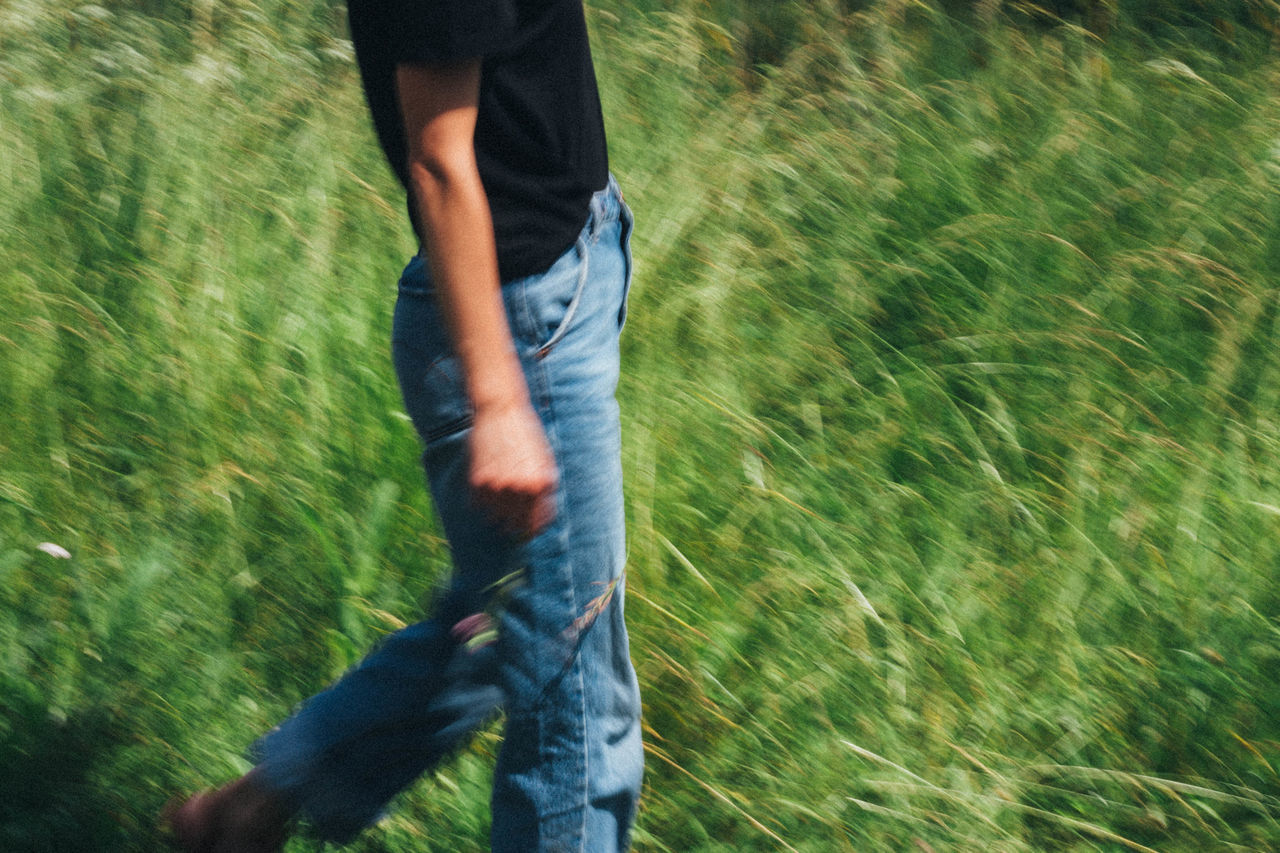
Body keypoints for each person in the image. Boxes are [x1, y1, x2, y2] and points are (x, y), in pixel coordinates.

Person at [166, 0, 643, 849]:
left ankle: (255, 804)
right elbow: (438, 161)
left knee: (495, 631)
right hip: (523, 321)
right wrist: (500, 404)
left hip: (560, 268)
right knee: (574, 700)